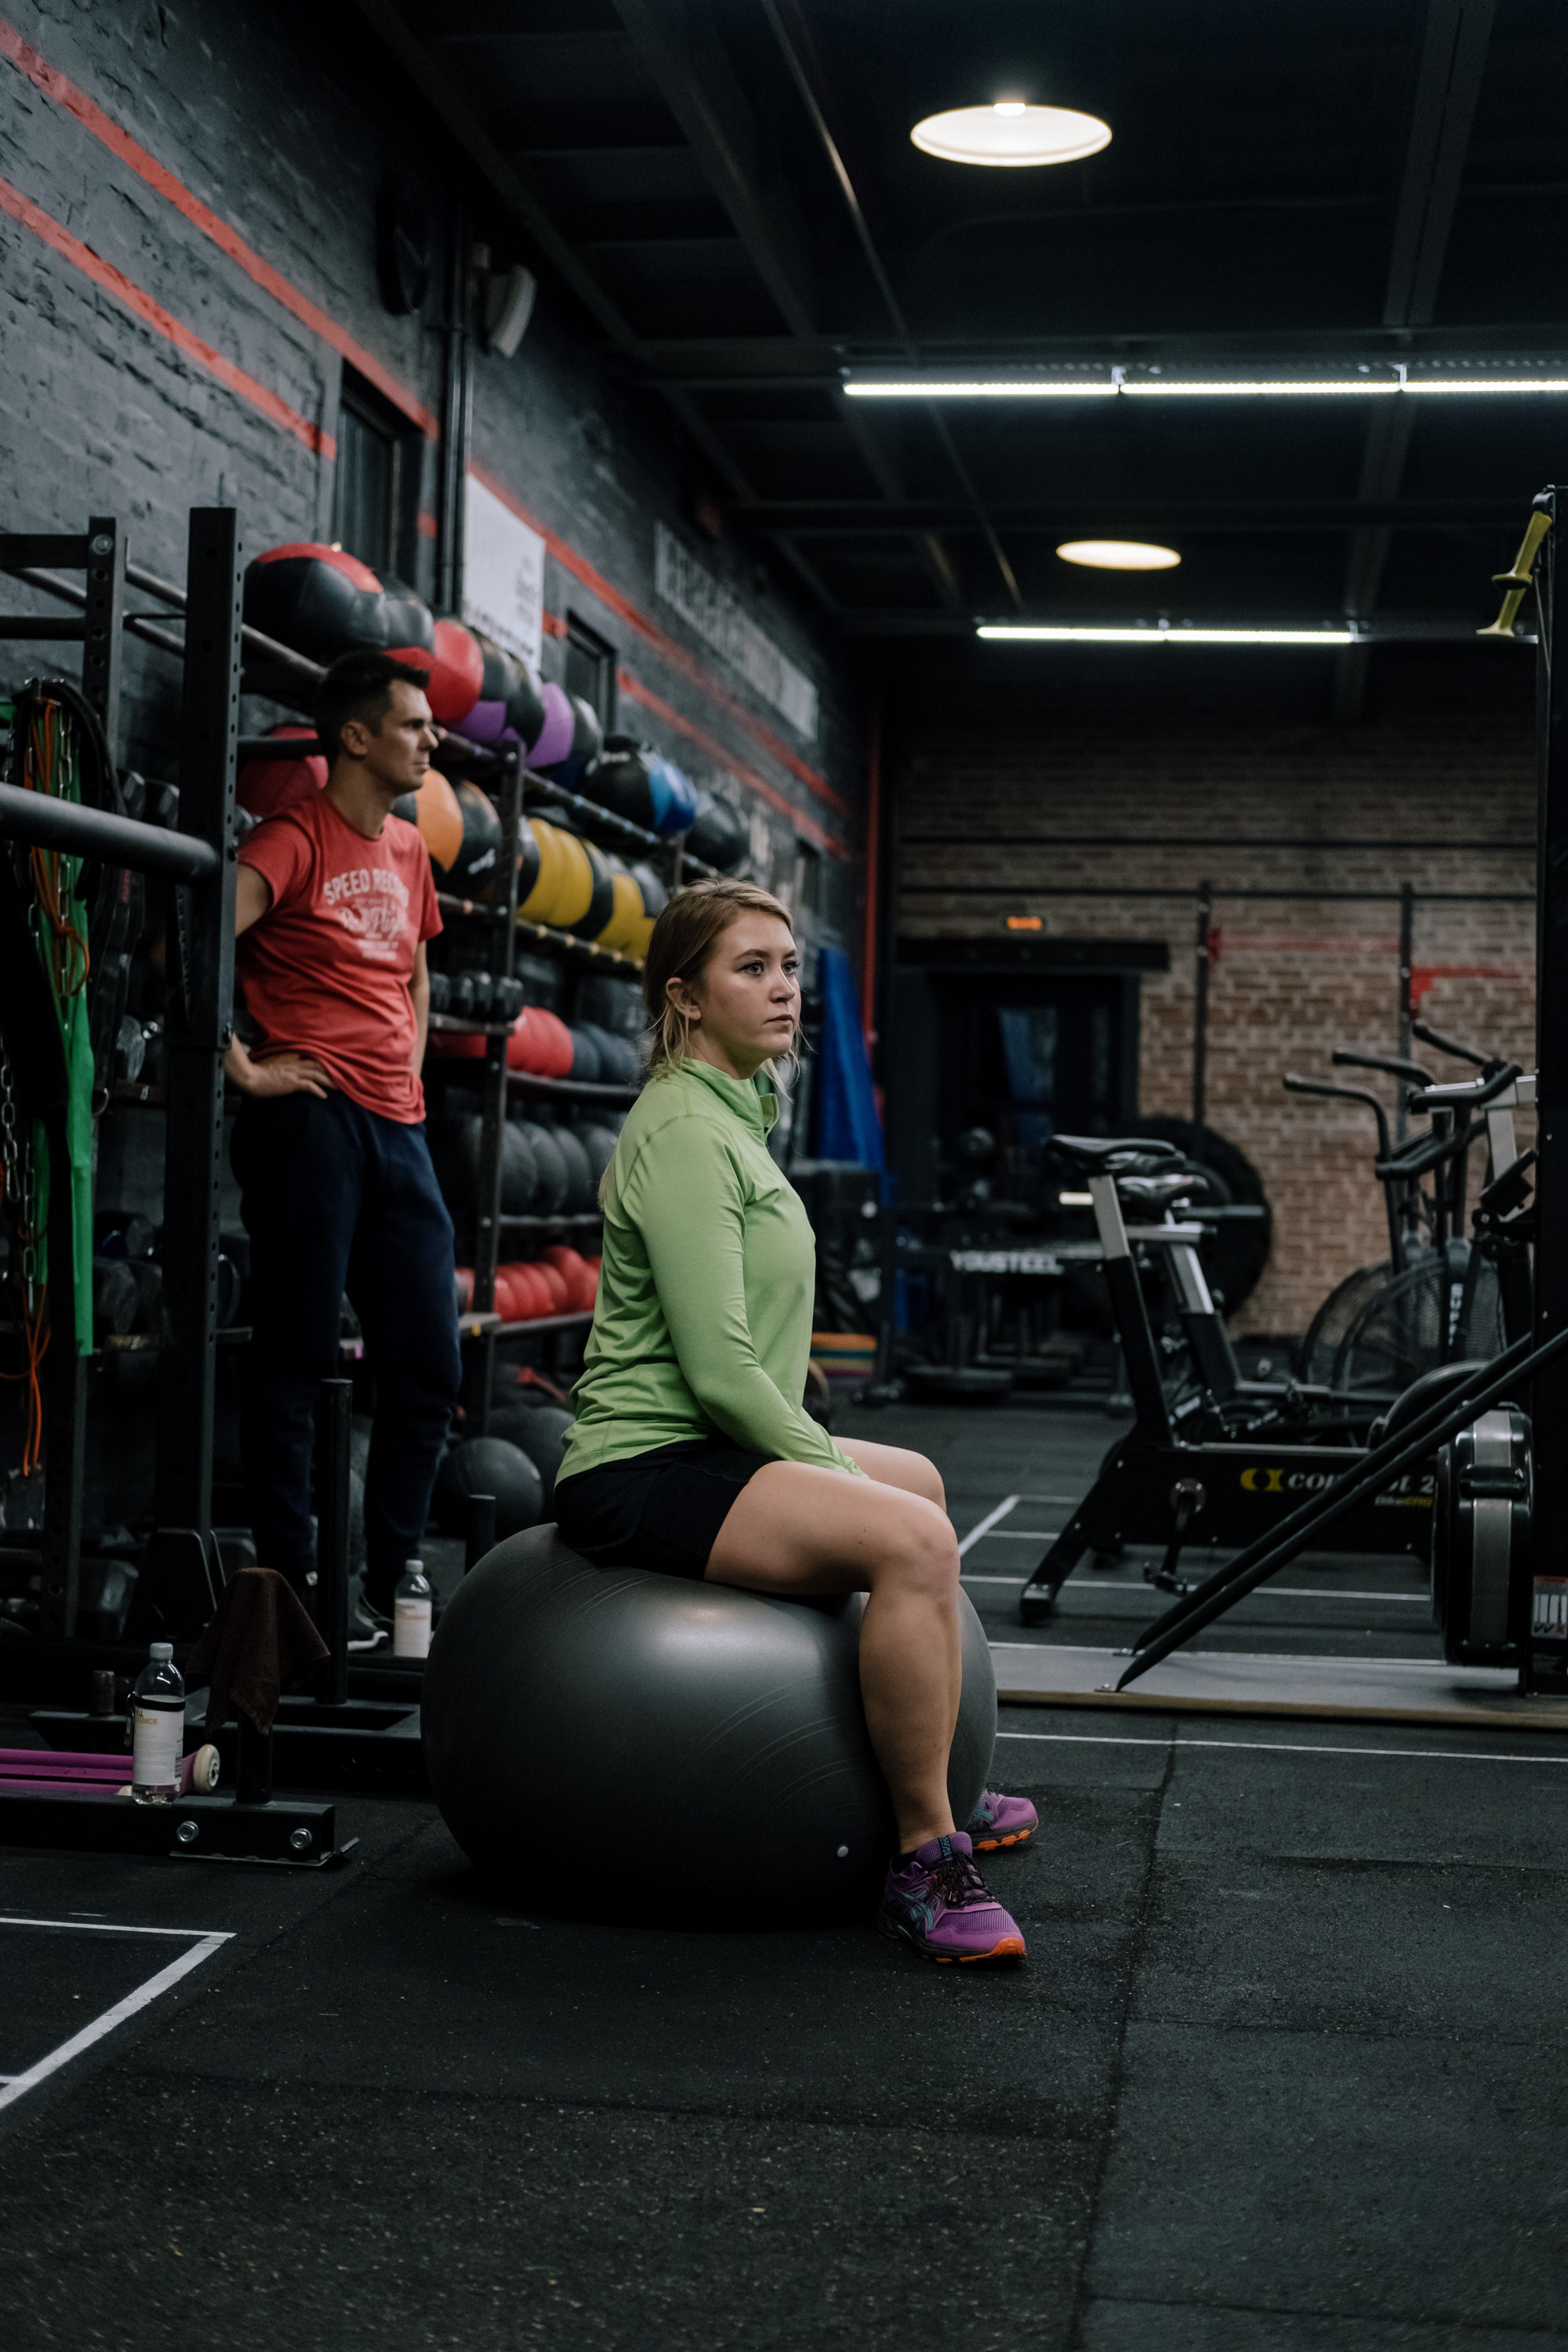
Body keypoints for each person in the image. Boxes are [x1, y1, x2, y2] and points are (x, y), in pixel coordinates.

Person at [554, 877, 1036, 1963]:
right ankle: (923, 1861)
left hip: (707, 1448)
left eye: (789, 968)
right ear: (683, 996)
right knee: (911, 1538)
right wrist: (827, 1469)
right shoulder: (686, 1130)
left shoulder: (735, 1113)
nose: (783, 990)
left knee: (919, 1484)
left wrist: (835, 1470)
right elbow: (722, 1373)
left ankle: (937, 1776)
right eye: (751, 969)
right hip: (644, 1466)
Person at [225, 651, 462, 1621]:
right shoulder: (291, 839)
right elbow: (200, 932)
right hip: (309, 1118)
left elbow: (415, 971)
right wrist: (242, 1065)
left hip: (397, 1125)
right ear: (356, 738)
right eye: (413, 725)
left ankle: (391, 1576)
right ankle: (296, 1585)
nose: (432, 739)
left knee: (429, 1366)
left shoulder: (408, 848)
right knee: (296, 1358)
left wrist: (411, 1065)